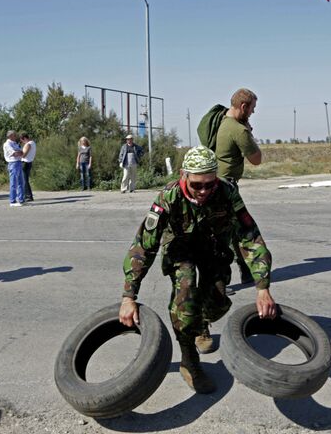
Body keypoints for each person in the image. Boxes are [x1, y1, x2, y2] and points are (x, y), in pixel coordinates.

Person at [118, 146, 277, 393]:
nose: (203, 191)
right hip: (180, 250)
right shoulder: (168, 198)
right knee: (186, 291)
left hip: (214, 248)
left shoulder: (226, 192)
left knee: (217, 303)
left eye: (208, 184)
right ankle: (189, 359)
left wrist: (262, 286)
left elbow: (249, 235)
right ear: (184, 175)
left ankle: (202, 323)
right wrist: (129, 296)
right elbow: (143, 246)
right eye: (196, 185)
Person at [215, 88, 263, 285]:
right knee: (227, 234)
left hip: (219, 183)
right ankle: (216, 282)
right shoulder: (238, 130)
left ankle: (245, 271)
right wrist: (250, 133)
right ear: (243, 106)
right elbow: (256, 159)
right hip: (225, 188)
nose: (252, 112)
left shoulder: (222, 121)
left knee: (236, 231)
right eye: (252, 108)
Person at [3, 130, 25, 206]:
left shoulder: (15, 143)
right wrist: (18, 152)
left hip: (19, 162)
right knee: (14, 183)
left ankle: (21, 199)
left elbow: (22, 153)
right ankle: (12, 201)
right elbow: (15, 153)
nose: (16, 136)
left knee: (21, 182)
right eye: (14, 135)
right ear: (10, 136)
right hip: (13, 163)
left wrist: (18, 152)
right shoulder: (7, 144)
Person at [20, 133, 36, 202]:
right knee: (25, 180)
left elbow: (24, 155)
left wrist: (19, 153)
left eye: (22, 141)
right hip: (29, 162)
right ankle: (28, 195)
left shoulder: (28, 144)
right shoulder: (33, 143)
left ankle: (28, 196)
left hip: (25, 163)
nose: (23, 142)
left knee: (25, 180)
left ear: (24, 138)